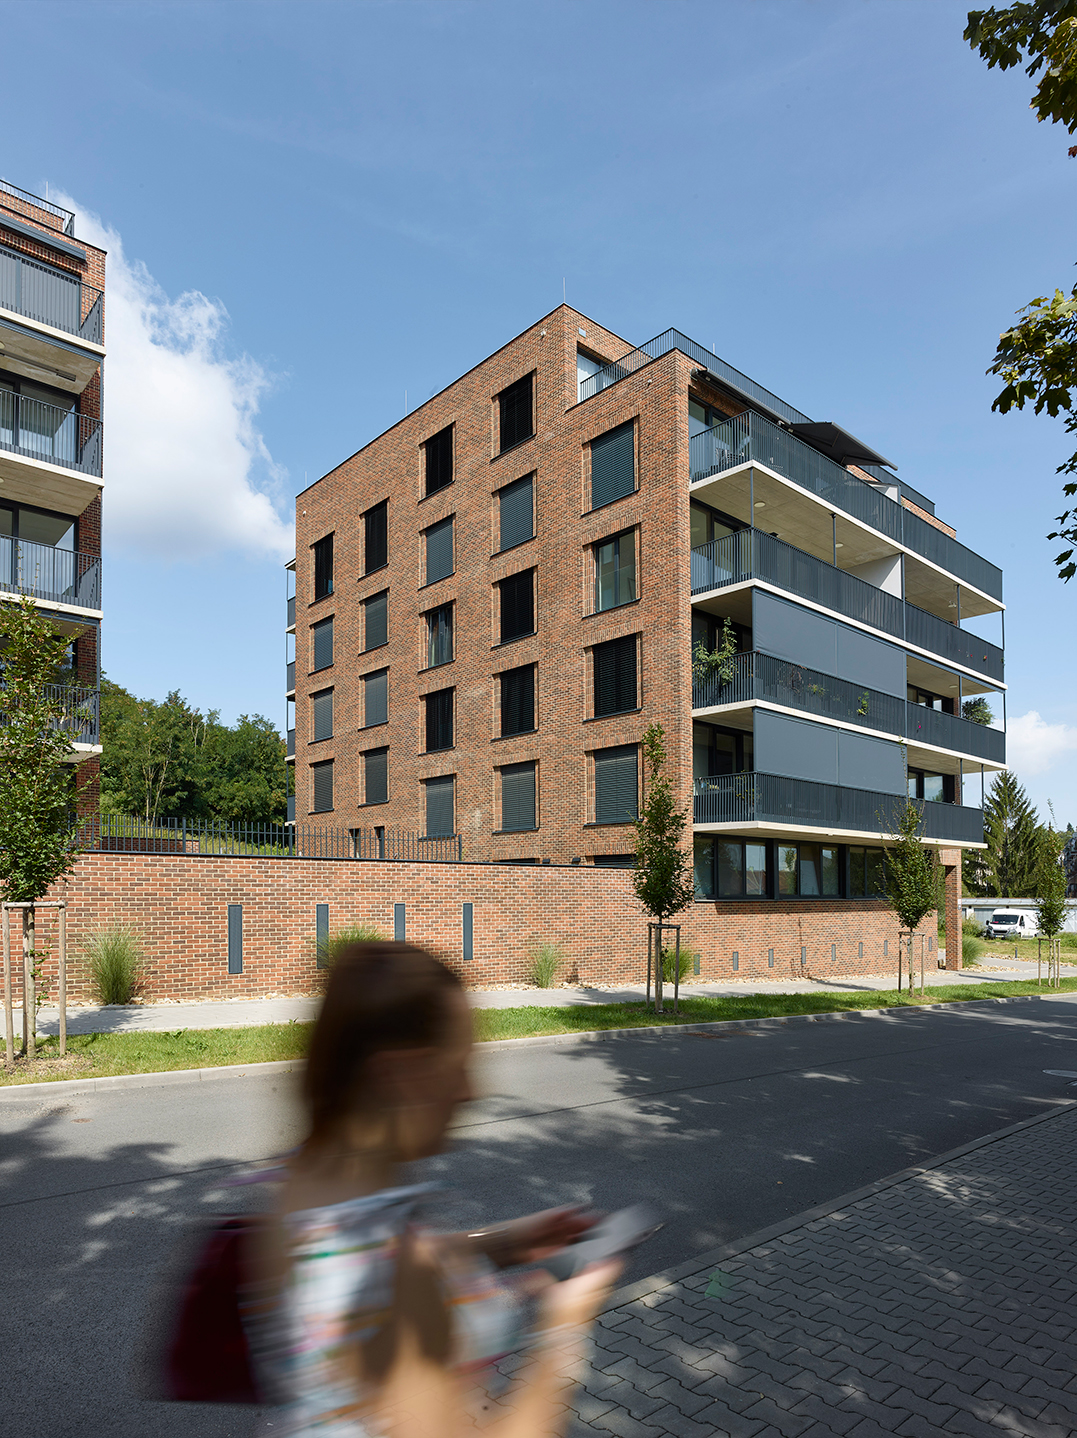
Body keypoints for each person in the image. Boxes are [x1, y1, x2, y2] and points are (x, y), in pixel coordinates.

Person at [245, 940, 620, 1437]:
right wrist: (565, 1329)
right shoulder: (399, 1274)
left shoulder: (300, 1185)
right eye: (458, 1064)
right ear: (399, 1075)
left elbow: (361, 1257)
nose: (470, 1091)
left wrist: (504, 1243)